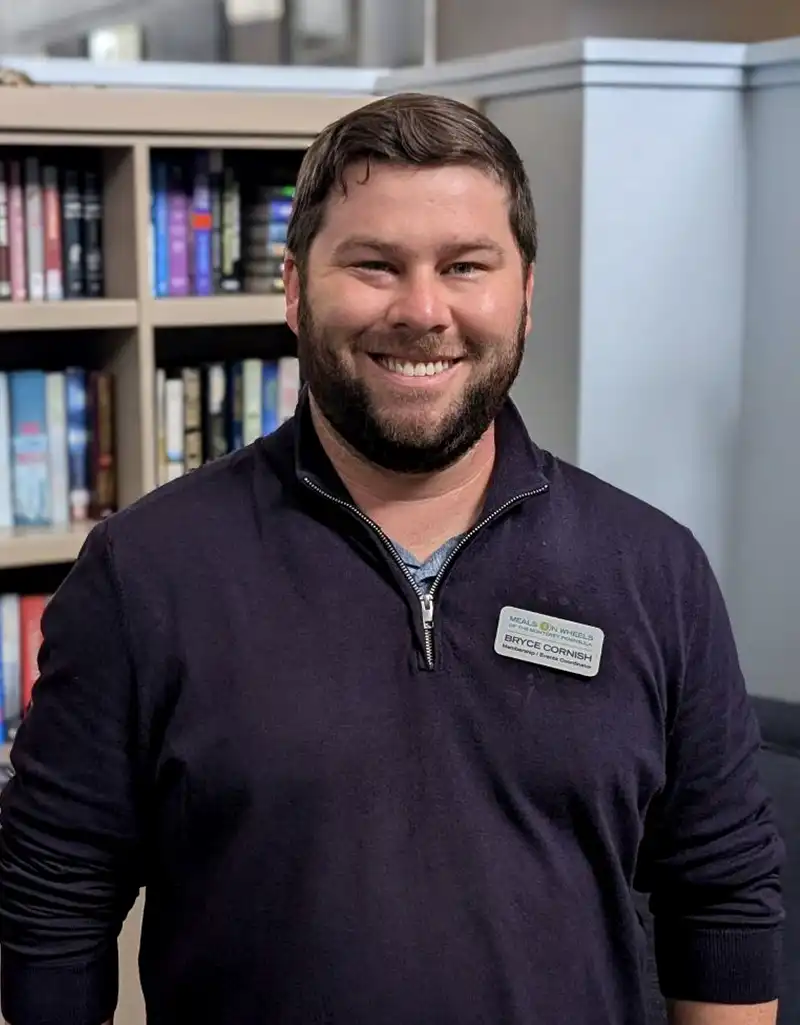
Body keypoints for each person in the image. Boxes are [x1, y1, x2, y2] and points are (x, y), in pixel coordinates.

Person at [0, 92, 785, 1025]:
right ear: (294, 289)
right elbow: (52, 910)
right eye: (374, 264)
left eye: (465, 266)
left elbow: (722, 898)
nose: (422, 310)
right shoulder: (144, 571)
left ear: (525, 292)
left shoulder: (655, 569)